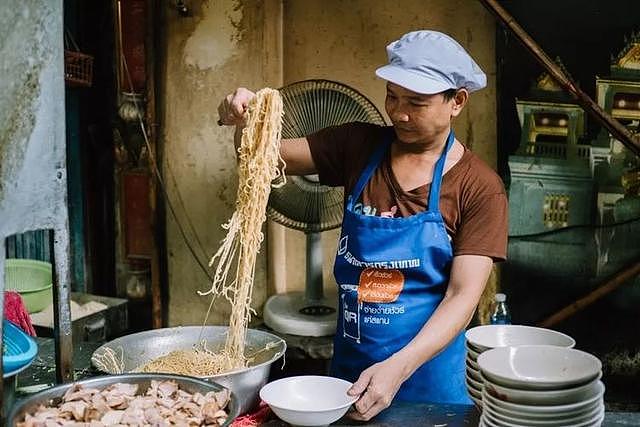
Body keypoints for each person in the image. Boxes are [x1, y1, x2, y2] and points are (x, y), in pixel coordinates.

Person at [217, 30, 508, 420]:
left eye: (416, 103)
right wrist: (242, 116)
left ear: (457, 101)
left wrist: (398, 369)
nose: (399, 113)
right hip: (348, 379)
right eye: (393, 96)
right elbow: (261, 156)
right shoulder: (358, 145)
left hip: (429, 386)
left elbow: (462, 297)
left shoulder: (480, 188)